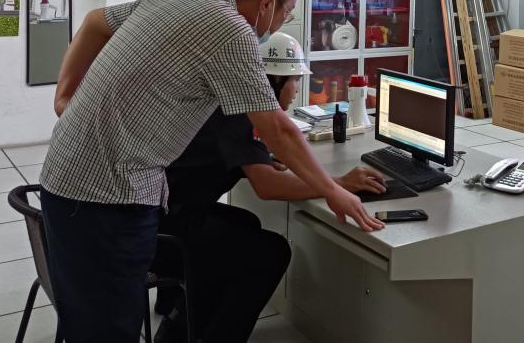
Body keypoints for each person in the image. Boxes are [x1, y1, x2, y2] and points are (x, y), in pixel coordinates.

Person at [38, 0, 382, 343]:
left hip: (69, 178)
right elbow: (278, 130)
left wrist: (65, 95)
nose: (279, 25)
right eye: (286, 14)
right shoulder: (232, 30)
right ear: (268, 3)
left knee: (93, 321)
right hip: (107, 197)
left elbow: (93, 21)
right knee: (108, 330)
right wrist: (333, 189)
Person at [152, 32, 386, 342]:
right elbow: (268, 186)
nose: (298, 88)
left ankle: (179, 325)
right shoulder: (242, 114)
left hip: (160, 214)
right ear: (274, 81)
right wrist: (338, 184)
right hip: (160, 234)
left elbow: (225, 156)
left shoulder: (232, 102)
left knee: (246, 224)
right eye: (295, 80)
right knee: (271, 252)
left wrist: (258, 161)